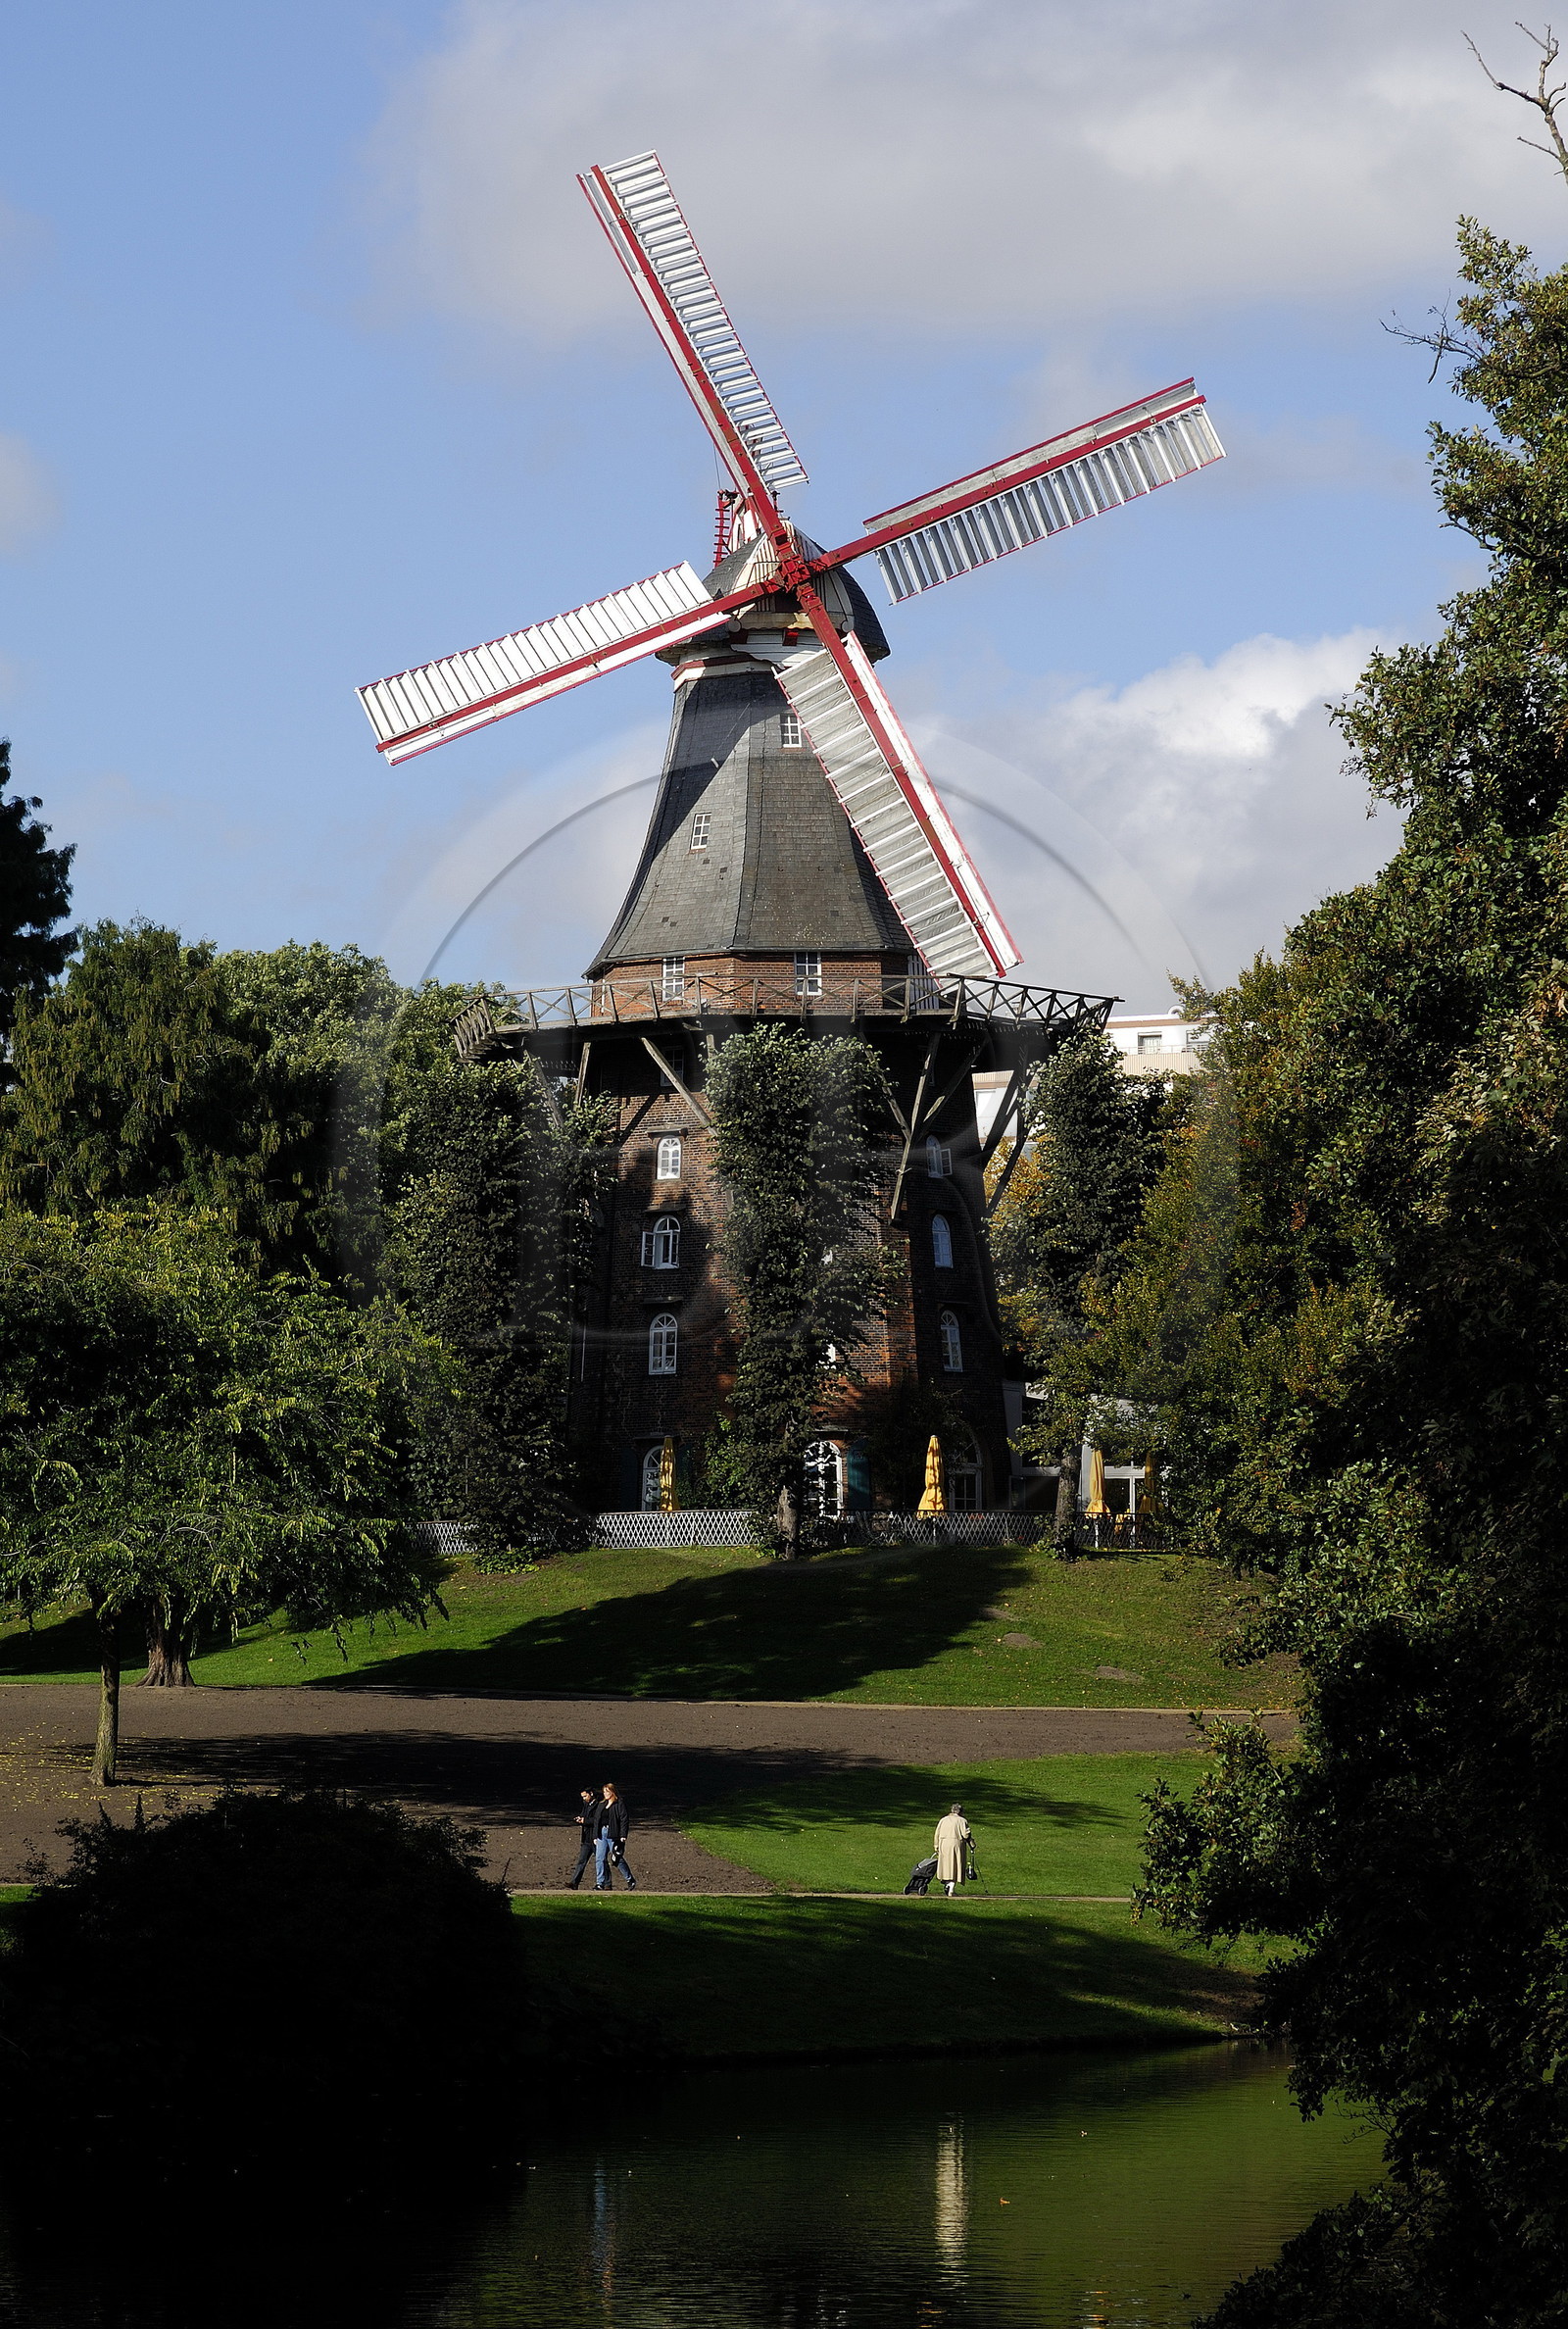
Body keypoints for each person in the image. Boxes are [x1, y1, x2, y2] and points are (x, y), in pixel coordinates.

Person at [592, 1780, 637, 1891]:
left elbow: (624, 1819)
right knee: (599, 1858)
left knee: (617, 1858)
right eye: (604, 1792)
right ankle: (600, 1883)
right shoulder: (601, 1805)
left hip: (614, 1834)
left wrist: (623, 1835)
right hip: (601, 1834)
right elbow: (596, 1820)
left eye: (607, 1792)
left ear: (612, 1792)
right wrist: (594, 1836)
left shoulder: (619, 1804)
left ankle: (629, 1879)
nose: (605, 1794)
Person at [933, 1803, 973, 1897]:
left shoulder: (943, 1820)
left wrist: (936, 1846)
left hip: (943, 1844)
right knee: (955, 1866)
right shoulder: (962, 1821)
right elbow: (966, 1835)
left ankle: (947, 1883)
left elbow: (937, 1834)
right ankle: (951, 1888)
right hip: (956, 1845)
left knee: (946, 1865)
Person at [565, 1787, 600, 1889]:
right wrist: (580, 1818)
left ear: (591, 1793)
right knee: (581, 1861)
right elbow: (584, 1815)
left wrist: (585, 1821)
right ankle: (574, 1882)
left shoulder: (598, 1805)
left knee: (601, 1861)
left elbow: (597, 1820)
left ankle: (606, 1883)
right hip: (586, 1839)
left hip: (596, 1838)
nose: (584, 1798)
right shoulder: (586, 1804)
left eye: (585, 1796)